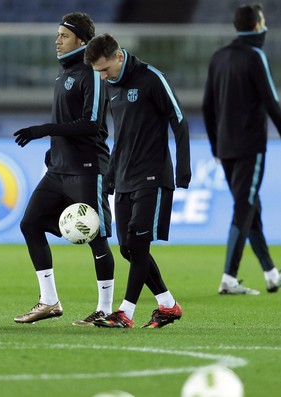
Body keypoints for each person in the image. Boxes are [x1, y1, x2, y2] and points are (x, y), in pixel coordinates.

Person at [13, 12, 115, 324]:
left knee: (96, 237)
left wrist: (44, 129)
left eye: (64, 36)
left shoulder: (91, 74)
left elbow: (91, 124)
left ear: (81, 42)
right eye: (57, 35)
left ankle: (106, 310)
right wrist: (52, 153)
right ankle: (49, 301)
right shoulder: (64, 74)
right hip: (58, 170)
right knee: (30, 224)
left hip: (87, 169)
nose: (57, 41)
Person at [84, 33, 191, 328]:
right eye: (98, 73)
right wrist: (110, 177)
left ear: (119, 56)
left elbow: (179, 120)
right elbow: (122, 137)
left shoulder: (151, 77)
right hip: (125, 178)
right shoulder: (112, 87)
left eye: (105, 69)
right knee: (127, 249)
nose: (103, 77)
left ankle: (125, 312)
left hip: (153, 175)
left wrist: (183, 168)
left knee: (139, 244)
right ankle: (168, 305)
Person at [202, 3, 281, 295]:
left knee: (251, 207)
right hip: (250, 146)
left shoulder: (219, 57)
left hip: (225, 147)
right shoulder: (255, 56)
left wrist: (215, 144)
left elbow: (207, 107)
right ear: (257, 25)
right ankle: (229, 277)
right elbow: (272, 103)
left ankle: (272, 273)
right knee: (244, 206)